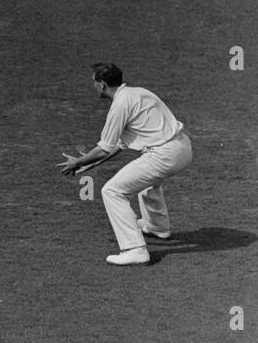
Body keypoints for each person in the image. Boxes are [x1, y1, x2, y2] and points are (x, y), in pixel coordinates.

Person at [59, 62, 193, 265]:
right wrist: (91, 164)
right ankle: (157, 227)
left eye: (94, 82)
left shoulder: (120, 105)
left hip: (164, 154)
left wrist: (77, 162)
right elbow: (118, 145)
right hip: (183, 147)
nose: (93, 86)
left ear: (102, 85)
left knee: (112, 191)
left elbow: (105, 147)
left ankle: (135, 249)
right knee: (146, 180)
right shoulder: (138, 93)